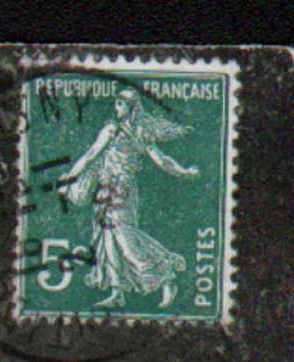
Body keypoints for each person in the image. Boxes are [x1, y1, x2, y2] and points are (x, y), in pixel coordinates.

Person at [58, 87, 201, 310]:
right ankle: (118, 292)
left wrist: (183, 172)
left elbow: (161, 160)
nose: (116, 108)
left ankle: (165, 277)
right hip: (104, 190)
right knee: (108, 241)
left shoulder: (137, 133)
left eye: (120, 104)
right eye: (116, 103)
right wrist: (71, 178)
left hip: (122, 189)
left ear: (131, 107)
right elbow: (89, 156)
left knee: (125, 238)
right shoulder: (112, 129)